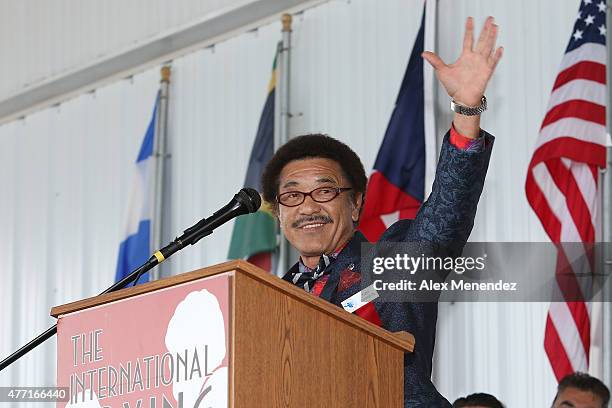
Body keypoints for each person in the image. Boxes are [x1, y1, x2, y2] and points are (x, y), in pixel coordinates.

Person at [260, 17, 502, 407]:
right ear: (278, 213)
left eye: (324, 191)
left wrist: (466, 110)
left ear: (356, 204)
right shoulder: (266, 299)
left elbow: (442, 221)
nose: (307, 206)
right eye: (292, 196)